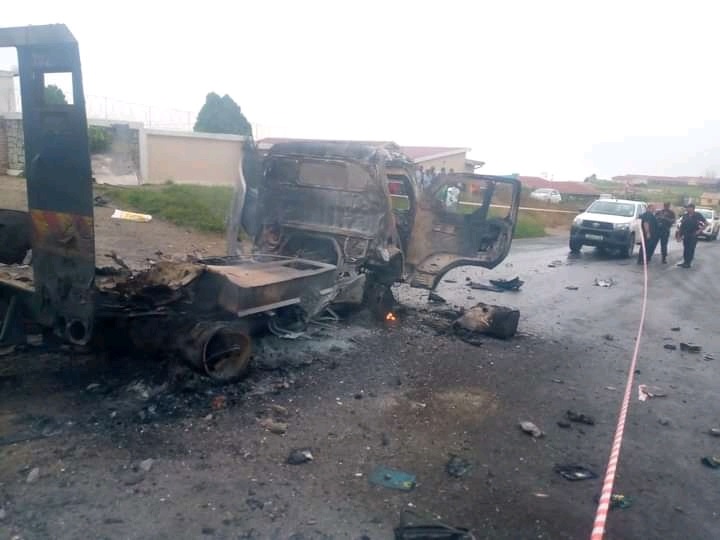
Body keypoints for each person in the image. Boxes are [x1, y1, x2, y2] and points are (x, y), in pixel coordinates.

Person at [676, 203, 707, 268]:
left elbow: (706, 223)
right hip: (686, 234)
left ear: (692, 208)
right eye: (687, 207)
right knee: (686, 248)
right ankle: (685, 262)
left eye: (688, 207)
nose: (687, 209)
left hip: (693, 235)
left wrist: (699, 231)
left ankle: (688, 263)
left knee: (691, 249)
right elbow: (682, 226)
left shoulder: (697, 215)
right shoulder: (685, 215)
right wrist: (679, 235)